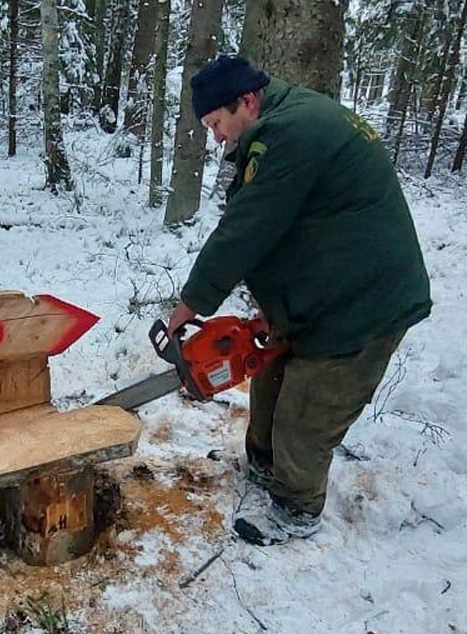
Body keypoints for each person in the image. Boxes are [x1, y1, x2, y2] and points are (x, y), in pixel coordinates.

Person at [168, 55, 431, 546]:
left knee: (307, 410)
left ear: (246, 101)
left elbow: (248, 228)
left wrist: (191, 303)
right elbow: (285, 226)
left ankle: (296, 507)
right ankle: (265, 468)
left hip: (361, 303)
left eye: (217, 123)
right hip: (322, 289)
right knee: (269, 377)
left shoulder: (294, 131)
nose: (218, 137)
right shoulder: (287, 123)